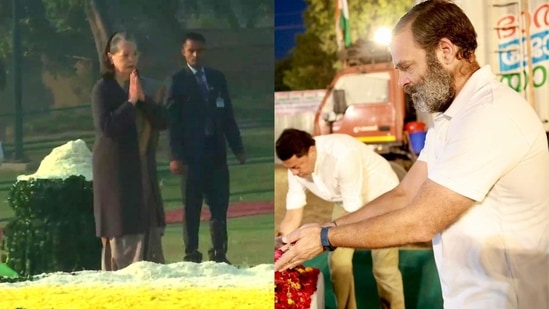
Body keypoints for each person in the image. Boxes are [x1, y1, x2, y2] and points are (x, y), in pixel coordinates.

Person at [274, 1, 549, 308]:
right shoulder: (452, 118)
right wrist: (327, 228)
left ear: (445, 51)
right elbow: (404, 194)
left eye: (406, 66)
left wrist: (326, 239)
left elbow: (422, 221)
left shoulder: (489, 113)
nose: (402, 81)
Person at [276, 128, 405, 309]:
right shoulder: (295, 168)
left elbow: (353, 213)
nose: (295, 173)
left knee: (384, 268)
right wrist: (279, 247)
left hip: (382, 198)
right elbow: (292, 215)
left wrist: (321, 238)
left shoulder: (342, 155)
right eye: (290, 168)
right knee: (338, 263)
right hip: (345, 201)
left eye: (297, 166)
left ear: (311, 151)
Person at [164, 32, 246, 264]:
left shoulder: (216, 78)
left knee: (219, 207)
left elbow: (227, 116)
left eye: (200, 50)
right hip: (191, 158)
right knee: (192, 208)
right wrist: (175, 156)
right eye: (191, 50)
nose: (196, 55)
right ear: (184, 52)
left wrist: (237, 147)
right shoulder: (177, 80)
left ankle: (219, 253)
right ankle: (192, 254)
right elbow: (173, 122)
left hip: (216, 155)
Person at [91, 32, 168, 271]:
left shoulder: (143, 85)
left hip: (140, 165)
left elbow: (162, 122)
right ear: (110, 57)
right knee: (123, 225)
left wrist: (142, 100)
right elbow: (107, 127)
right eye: (125, 54)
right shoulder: (103, 89)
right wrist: (131, 102)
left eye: (135, 54)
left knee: (146, 221)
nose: (131, 59)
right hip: (114, 169)